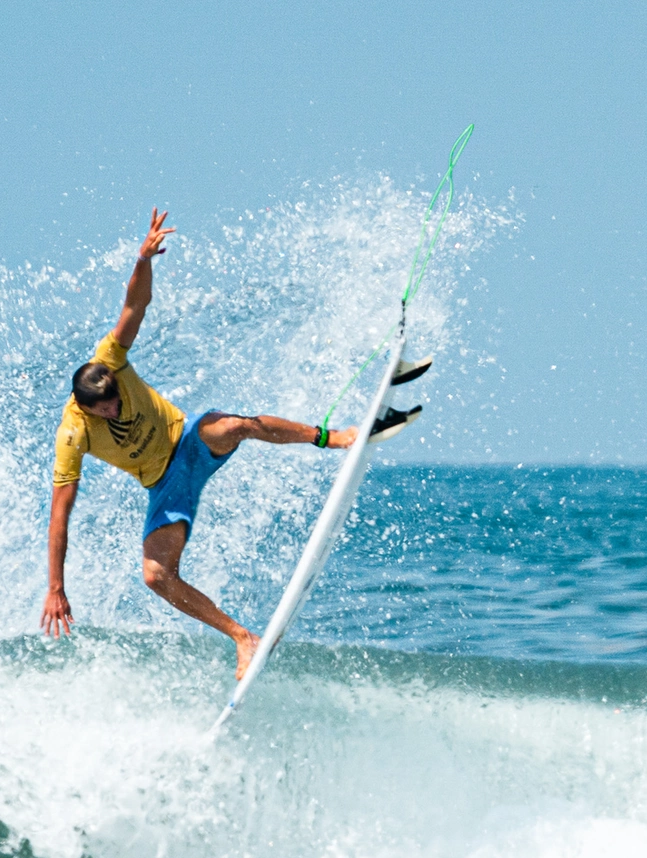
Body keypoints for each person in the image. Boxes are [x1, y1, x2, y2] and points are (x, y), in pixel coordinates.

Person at [37, 209, 416, 677]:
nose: (115, 409)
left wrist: (144, 260)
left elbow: (135, 306)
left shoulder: (109, 359)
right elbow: (60, 512)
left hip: (190, 440)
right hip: (165, 486)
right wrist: (56, 584)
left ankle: (332, 437)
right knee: (156, 576)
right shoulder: (71, 434)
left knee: (235, 425)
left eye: (116, 399)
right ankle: (243, 637)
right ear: (86, 407)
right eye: (106, 409)